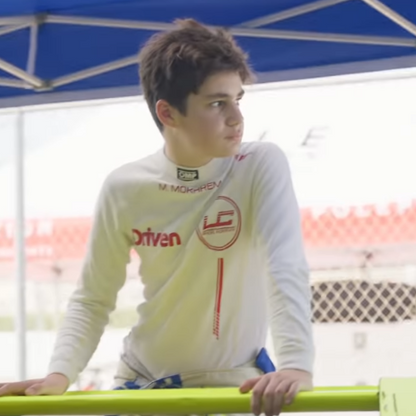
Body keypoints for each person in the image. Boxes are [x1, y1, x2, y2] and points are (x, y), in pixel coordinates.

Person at [0, 19, 314, 416]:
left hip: (234, 386)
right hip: (144, 384)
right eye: (217, 103)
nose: (236, 117)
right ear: (168, 112)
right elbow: (93, 298)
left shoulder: (260, 163)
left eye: (238, 99)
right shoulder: (125, 186)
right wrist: (59, 374)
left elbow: (285, 266)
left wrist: (297, 365)